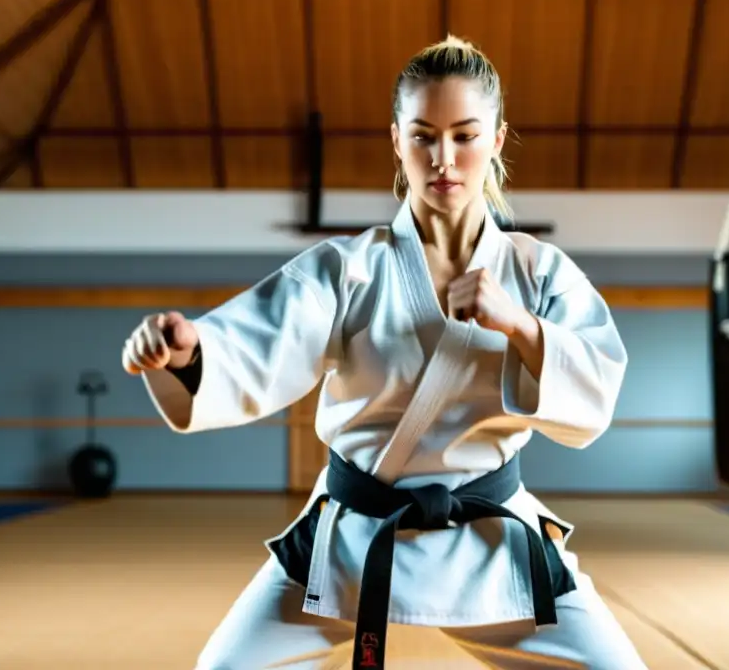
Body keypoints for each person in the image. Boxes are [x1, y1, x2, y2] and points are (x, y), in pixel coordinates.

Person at [122, 36, 647, 670]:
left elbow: (594, 390)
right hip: (355, 534)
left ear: (499, 140)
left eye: (465, 135)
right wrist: (189, 351)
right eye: (424, 136)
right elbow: (263, 337)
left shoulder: (540, 273)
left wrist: (519, 325)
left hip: (491, 540)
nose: (444, 158)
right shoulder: (349, 269)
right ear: (397, 140)